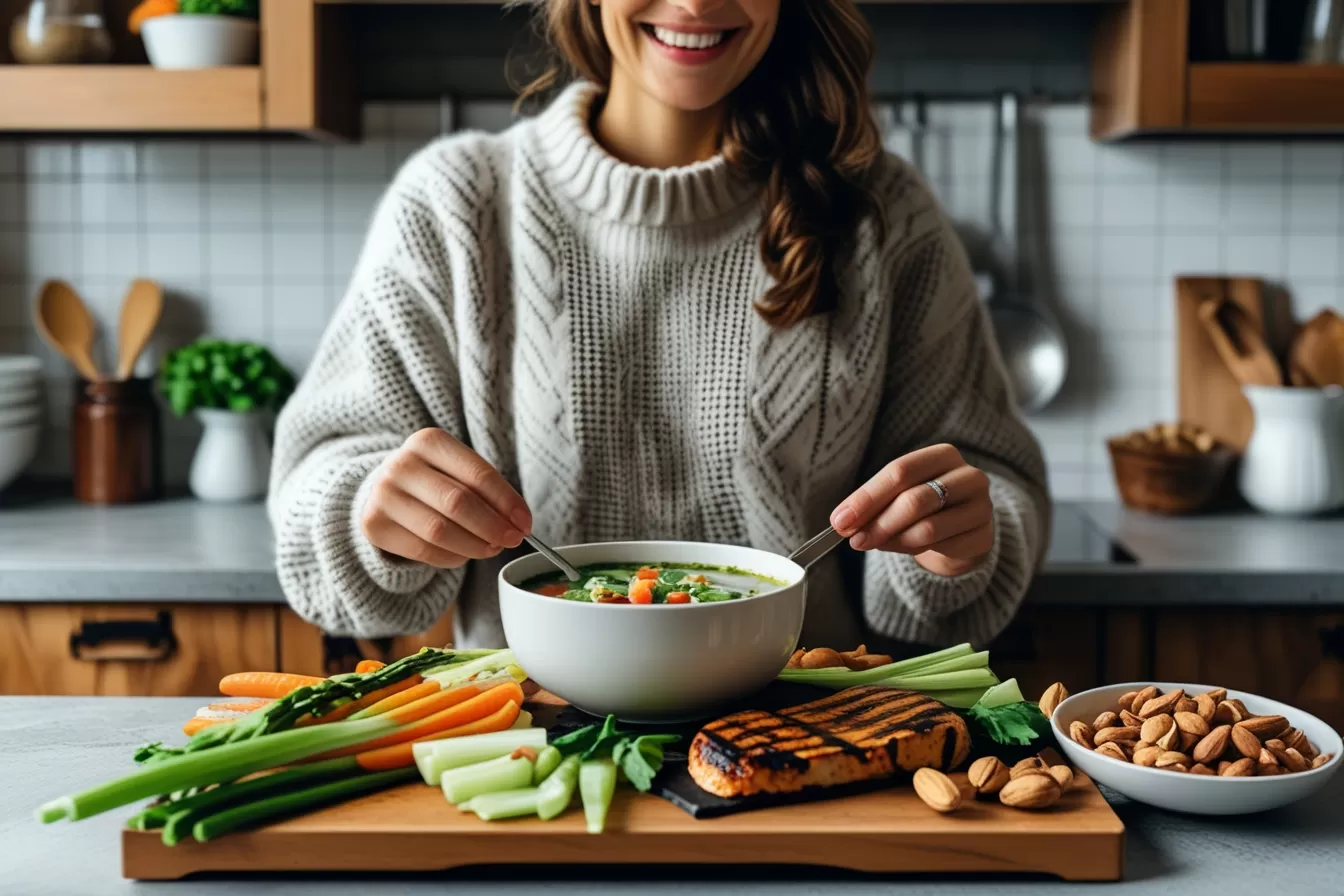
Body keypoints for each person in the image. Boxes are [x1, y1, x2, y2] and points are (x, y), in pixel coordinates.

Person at [268, 0, 1050, 654]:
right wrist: (372, 508)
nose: (696, 2)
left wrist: (955, 539)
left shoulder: (883, 214)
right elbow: (322, 486)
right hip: (533, 750)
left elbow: (990, 484)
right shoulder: (455, 203)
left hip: (802, 743)